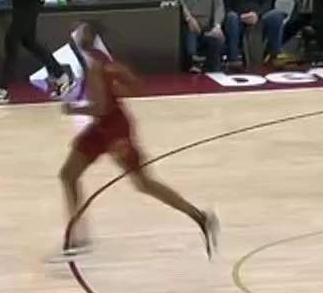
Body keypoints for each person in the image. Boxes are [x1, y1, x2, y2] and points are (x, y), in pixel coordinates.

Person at [58, 22, 218, 258]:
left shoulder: (95, 65)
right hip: (105, 126)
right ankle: (75, 234)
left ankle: (199, 216)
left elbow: (101, 108)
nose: (77, 34)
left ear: (88, 36)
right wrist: (115, 93)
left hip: (114, 130)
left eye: (81, 31)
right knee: (68, 174)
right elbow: (136, 86)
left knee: (144, 183)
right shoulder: (104, 61)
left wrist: (73, 109)